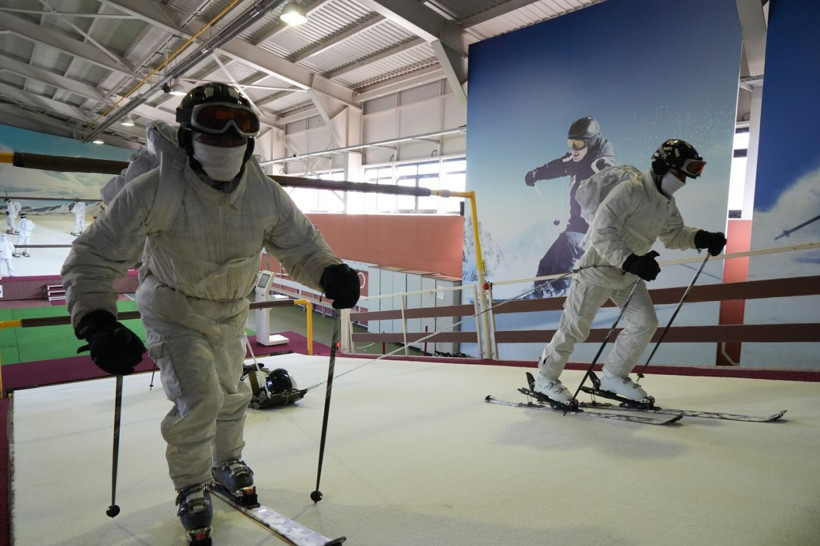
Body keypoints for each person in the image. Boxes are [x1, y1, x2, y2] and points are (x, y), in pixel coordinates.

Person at [60, 83, 360, 543]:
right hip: (173, 309)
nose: (226, 140)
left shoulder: (264, 194)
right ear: (187, 137)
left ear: (251, 140)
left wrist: (330, 273)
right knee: (199, 399)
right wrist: (96, 321)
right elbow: (94, 257)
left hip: (230, 310)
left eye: (238, 130)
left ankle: (226, 461)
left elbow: (301, 245)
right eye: (213, 129)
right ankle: (190, 486)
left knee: (231, 392)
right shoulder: (156, 190)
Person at [531, 139, 727, 404]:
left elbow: (674, 235)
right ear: (660, 166)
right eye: (680, 172)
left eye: (687, 174)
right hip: (597, 270)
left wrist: (702, 238)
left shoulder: (665, 203)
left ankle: (613, 376)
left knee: (644, 323)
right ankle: (546, 379)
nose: (683, 179)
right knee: (575, 328)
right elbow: (601, 231)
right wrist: (631, 260)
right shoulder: (630, 190)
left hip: (626, 275)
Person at [524, 117, 617, 297]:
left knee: (567, 242)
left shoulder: (603, 165)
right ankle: (538, 293)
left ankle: (560, 291)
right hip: (577, 228)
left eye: (578, 143)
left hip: (597, 232)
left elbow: (620, 186)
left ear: (591, 142)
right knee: (547, 262)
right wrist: (537, 174)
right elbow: (559, 165)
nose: (573, 149)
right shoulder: (578, 160)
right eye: (570, 143)